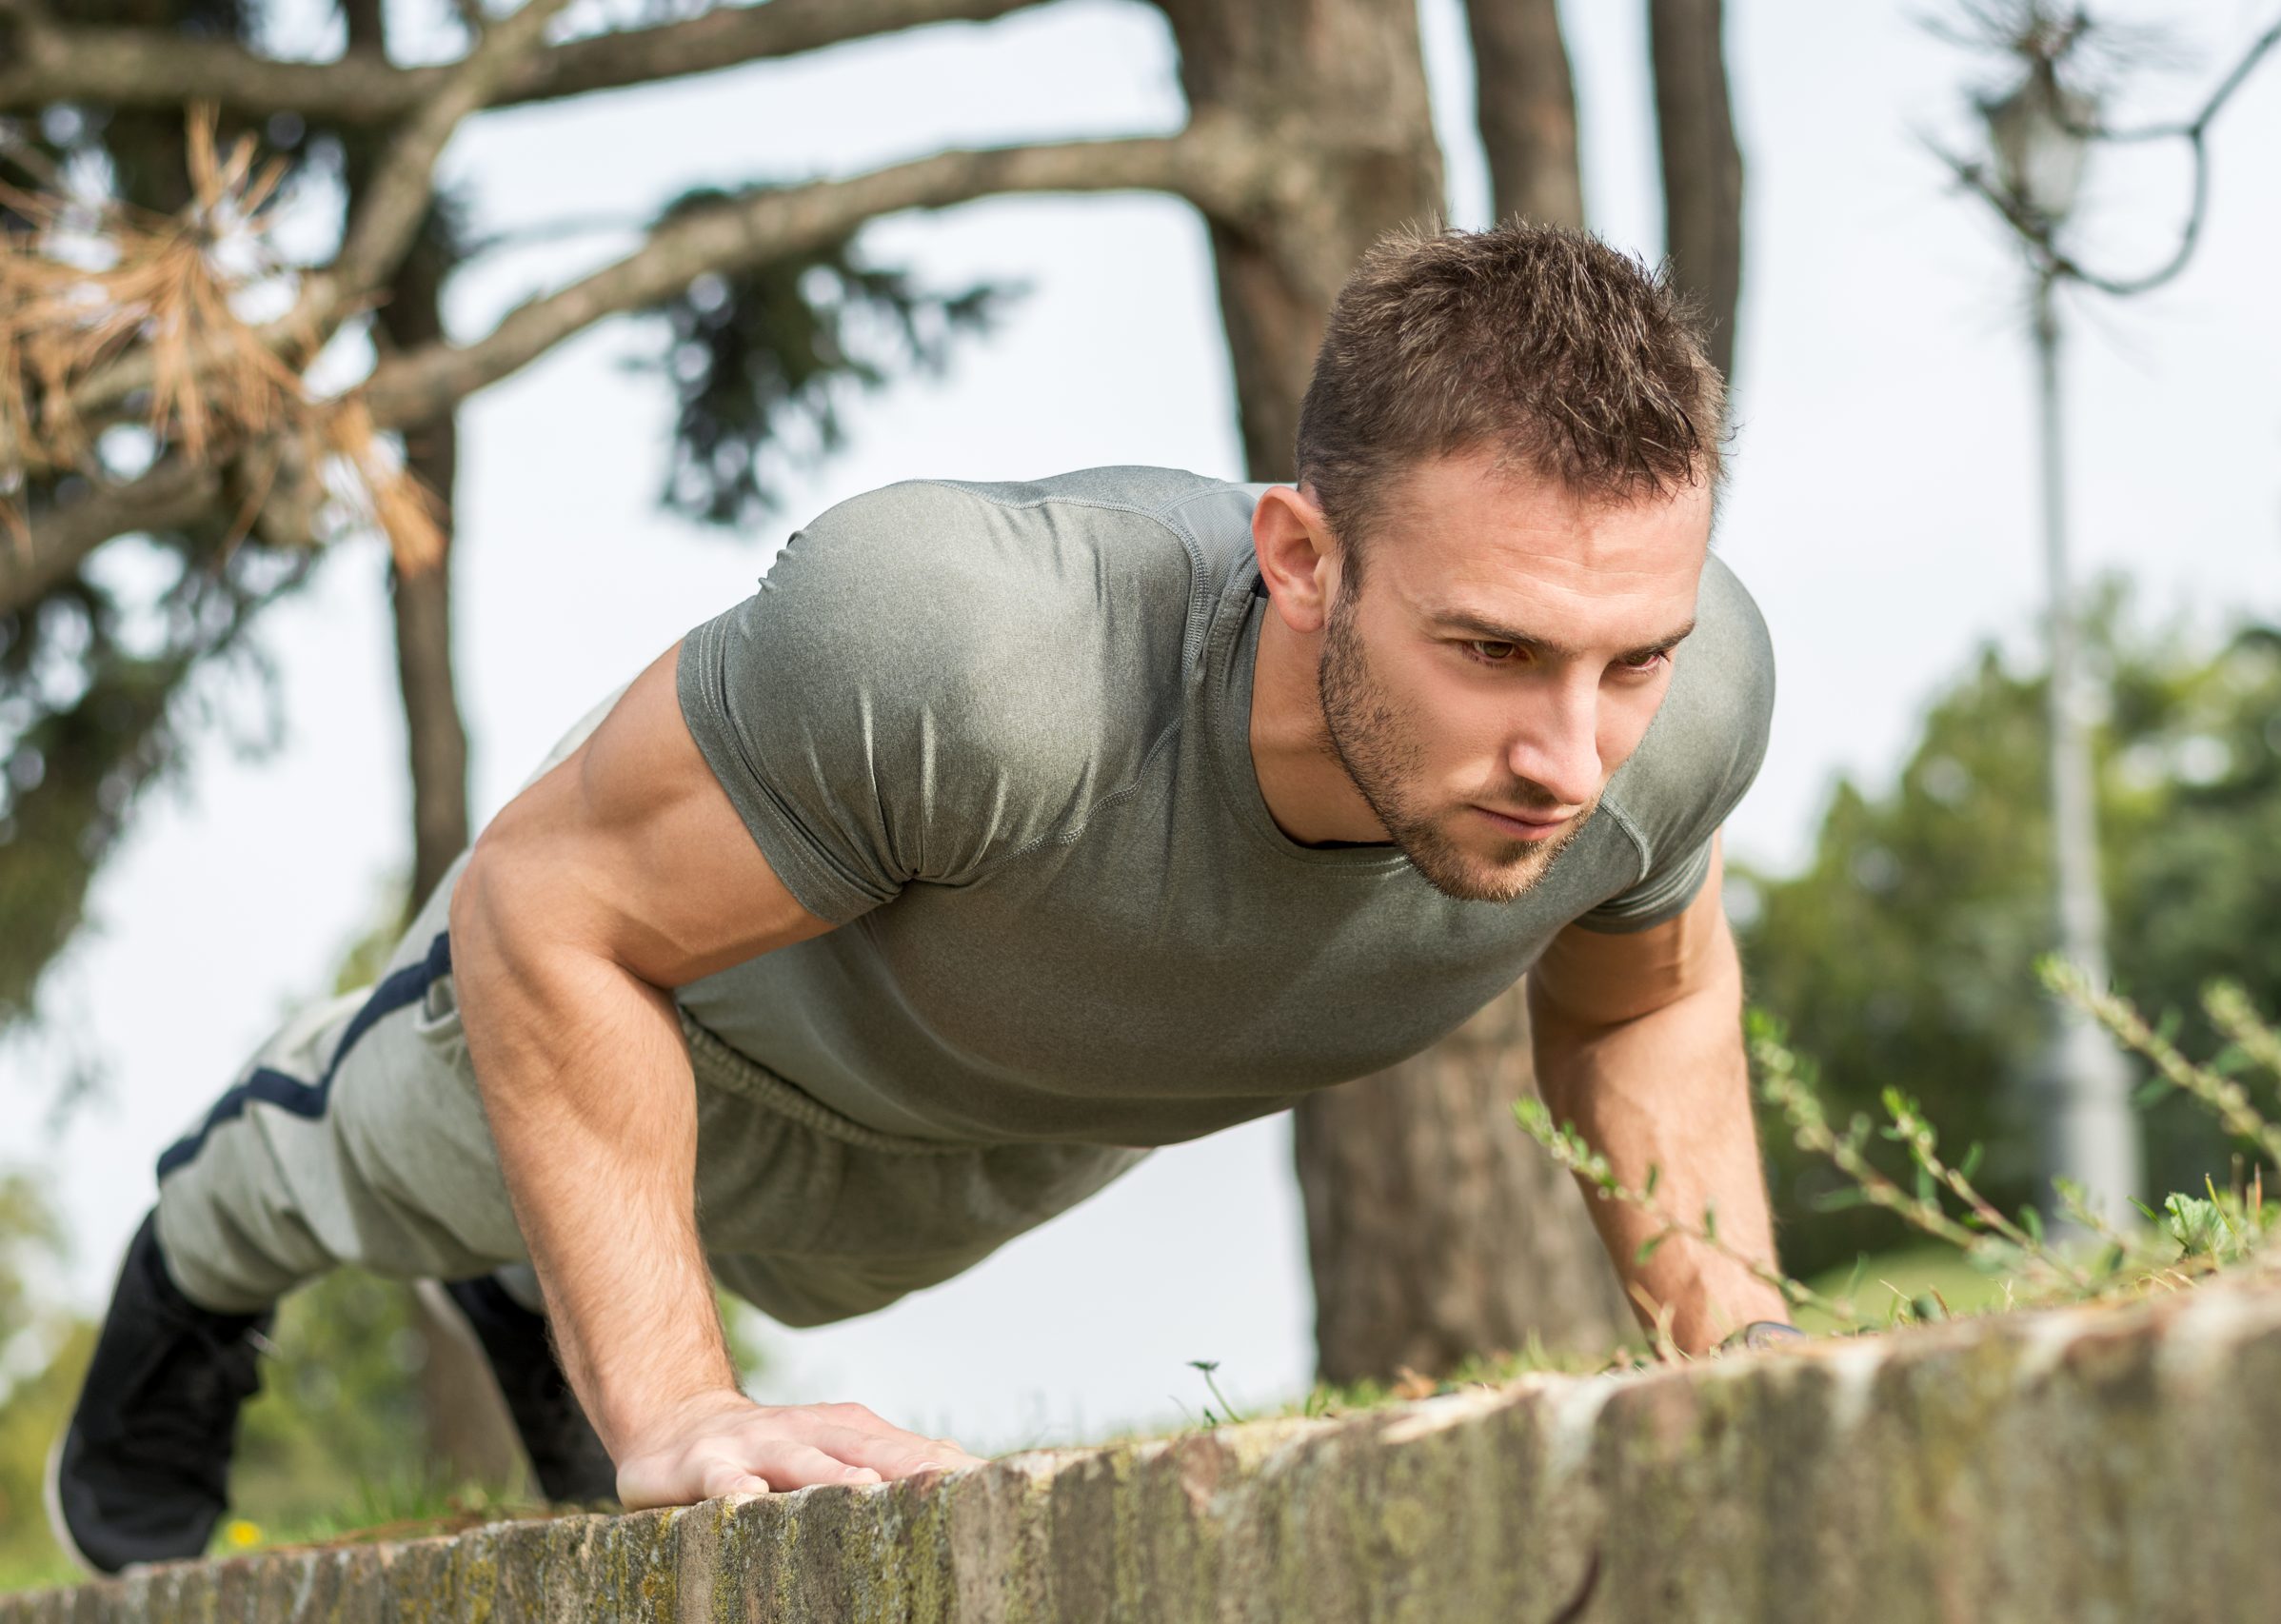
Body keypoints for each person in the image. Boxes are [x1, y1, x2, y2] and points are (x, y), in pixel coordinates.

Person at [47, 222, 1795, 1575]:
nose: (1574, 758)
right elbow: (553, 913)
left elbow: (1645, 997)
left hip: (990, 1145)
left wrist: (1742, 1340)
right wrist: (673, 1403)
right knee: (333, 1174)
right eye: (1492, 649)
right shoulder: (976, 647)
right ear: (1302, 557)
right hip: (665, 1033)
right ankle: (192, 1282)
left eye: (1630, 657)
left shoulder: (1688, 715)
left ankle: (532, 1285)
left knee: (820, 1281)